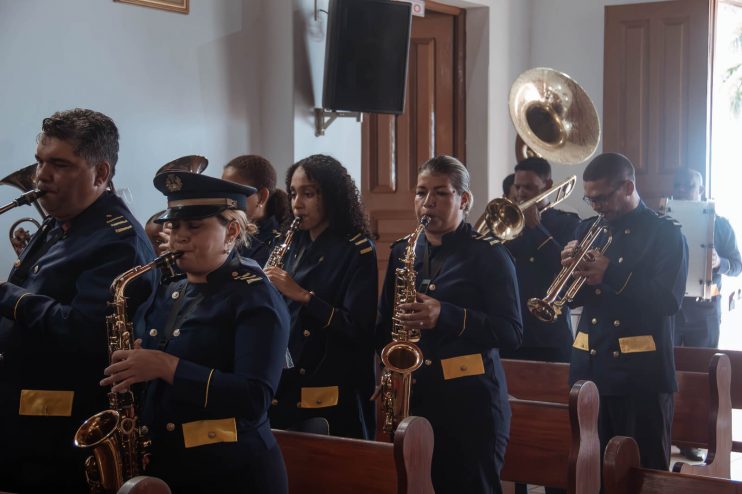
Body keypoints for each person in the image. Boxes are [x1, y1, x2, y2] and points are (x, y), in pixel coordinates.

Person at [102, 171, 291, 493]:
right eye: (174, 226)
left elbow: (254, 398)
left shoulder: (256, 297)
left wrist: (166, 366)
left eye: (195, 226)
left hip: (233, 473)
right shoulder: (170, 289)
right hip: (172, 466)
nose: (179, 237)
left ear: (231, 231)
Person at [0, 108, 156, 492]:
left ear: (100, 175)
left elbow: (85, 334)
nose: (40, 176)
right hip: (22, 424)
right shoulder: (61, 223)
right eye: (39, 162)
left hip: (59, 435)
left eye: (58, 165)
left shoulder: (116, 240)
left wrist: (7, 297)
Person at [376, 155, 523, 493]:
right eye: (420, 192)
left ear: (464, 200)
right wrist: (387, 374)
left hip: (471, 405)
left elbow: (511, 332)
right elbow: (385, 324)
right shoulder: (403, 251)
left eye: (441, 193)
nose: (427, 203)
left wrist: (446, 315)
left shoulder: (490, 254)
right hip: (416, 398)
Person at [563, 152, 688, 471]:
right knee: (592, 471)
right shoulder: (587, 228)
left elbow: (668, 300)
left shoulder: (665, 233)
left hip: (639, 377)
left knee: (640, 473)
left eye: (602, 197)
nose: (597, 206)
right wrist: (568, 273)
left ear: (628, 186)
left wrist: (610, 273)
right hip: (589, 369)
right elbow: (574, 300)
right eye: (590, 199)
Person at [265, 154, 378, 439]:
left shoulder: (357, 249)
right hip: (288, 376)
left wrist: (303, 296)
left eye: (308, 193)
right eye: (292, 193)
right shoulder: (290, 243)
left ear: (331, 196)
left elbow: (358, 328)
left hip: (332, 382)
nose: (297, 204)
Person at [671, 167, 741, 461]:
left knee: (703, 374)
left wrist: (719, 262)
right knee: (668, 371)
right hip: (671, 310)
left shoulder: (720, 224)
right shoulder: (664, 221)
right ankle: (669, 431)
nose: (683, 190)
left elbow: (737, 265)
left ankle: (695, 438)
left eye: (689, 186)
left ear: (701, 189)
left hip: (705, 311)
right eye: (678, 185)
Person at [501, 157, 580, 363]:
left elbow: (566, 270)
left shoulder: (567, 223)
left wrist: (536, 227)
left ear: (548, 186)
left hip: (549, 336)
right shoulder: (507, 226)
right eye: (517, 187)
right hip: (510, 332)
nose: (520, 193)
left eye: (529, 187)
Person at [222, 154, 292, 266]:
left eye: (235, 193)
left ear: (262, 197)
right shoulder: (221, 228)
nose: (226, 200)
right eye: (223, 191)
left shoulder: (275, 244)